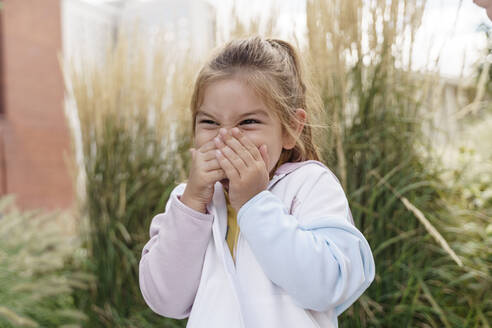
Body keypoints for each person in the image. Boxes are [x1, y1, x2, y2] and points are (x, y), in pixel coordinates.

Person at [138, 36, 375, 328]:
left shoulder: (311, 185)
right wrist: (191, 205)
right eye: (209, 122)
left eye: (248, 122)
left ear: (291, 129)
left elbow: (326, 286)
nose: (225, 137)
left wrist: (255, 203)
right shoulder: (188, 201)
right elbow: (166, 299)